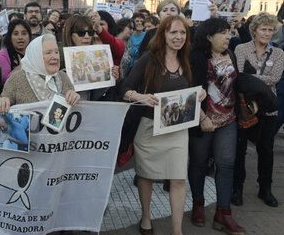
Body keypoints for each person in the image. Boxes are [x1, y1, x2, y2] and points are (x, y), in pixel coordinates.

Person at [120, 15, 206, 235]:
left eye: (183, 33)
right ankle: (146, 218)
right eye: (173, 32)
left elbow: (189, 92)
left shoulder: (187, 60)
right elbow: (124, 88)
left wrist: (199, 95)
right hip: (149, 129)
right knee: (146, 176)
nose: (178, 37)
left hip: (177, 129)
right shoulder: (149, 60)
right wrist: (141, 97)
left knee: (178, 177)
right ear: (163, 35)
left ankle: (176, 231)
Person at [188, 18, 246, 235]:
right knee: (199, 163)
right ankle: (198, 205)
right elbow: (192, 89)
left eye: (229, 32)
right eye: (222, 33)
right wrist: (203, 117)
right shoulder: (197, 58)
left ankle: (224, 214)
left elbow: (236, 84)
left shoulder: (231, 55)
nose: (228, 37)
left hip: (228, 120)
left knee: (227, 165)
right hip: (204, 119)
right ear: (209, 36)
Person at [233, 12, 284, 207]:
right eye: (264, 29)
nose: (268, 33)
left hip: (268, 108)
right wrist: (249, 79)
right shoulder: (241, 48)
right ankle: (237, 188)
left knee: (266, 150)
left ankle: (265, 189)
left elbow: (275, 78)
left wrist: (250, 77)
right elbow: (239, 77)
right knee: (240, 149)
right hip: (245, 107)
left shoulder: (278, 53)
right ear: (254, 31)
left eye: (271, 30)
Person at [0, 34, 80, 115]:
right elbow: (0, 102)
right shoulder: (17, 79)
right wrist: (2, 102)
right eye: (48, 53)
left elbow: (72, 107)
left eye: (56, 52)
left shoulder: (63, 77)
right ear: (36, 56)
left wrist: (74, 97)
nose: (55, 57)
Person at [62, 15, 120, 101]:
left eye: (90, 32)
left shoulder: (97, 57)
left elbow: (95, 95)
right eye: (81, 33)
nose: (87, 36)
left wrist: (109, 77)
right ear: (70, 34)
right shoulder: (59, 59)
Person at [0, 19, 31, 84]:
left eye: (24, 33)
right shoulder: (2, 55)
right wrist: (22, 66)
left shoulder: (34, 53)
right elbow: (5, 81)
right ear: (10, 37)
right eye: (16, 34)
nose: (20, 37)